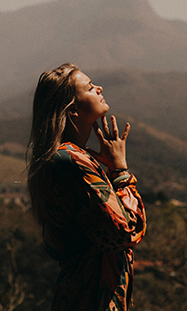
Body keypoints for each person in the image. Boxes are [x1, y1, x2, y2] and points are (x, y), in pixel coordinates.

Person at [27, 63, 146, 311]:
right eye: (90, 88)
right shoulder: (71, 162)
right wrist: (121, 172)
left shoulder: (71, 159)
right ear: (72, 111)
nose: (100, 88)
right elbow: (126, 232)